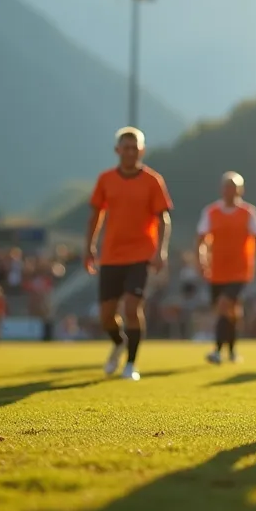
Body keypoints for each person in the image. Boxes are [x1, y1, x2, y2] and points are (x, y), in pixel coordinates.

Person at [84, 126, 173, 381]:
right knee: (106, 316)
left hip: (140, 254)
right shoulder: (105, 179)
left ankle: (131, 364)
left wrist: (161, 250)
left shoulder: (153, 180)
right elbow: (96, 216)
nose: (131, 152)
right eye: (126, 148)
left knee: (132, 308)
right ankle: (118, 342)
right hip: (111, 255)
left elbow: (163, 219)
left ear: (142, 150)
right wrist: (89, 247)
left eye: (135, 148)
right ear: (117, 150)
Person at [196, 171, 256, 365]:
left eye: (234, 187)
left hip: (240, 270)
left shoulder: (249, 213)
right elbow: (200, 240)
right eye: (227, 187)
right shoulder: (211, 212)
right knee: (229, 311)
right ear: (222, 189)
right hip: (217, 270)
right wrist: (201, 261)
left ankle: (217, 351)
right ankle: (232, 351)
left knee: (224, 305)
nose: (230, 191)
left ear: (240, 190)